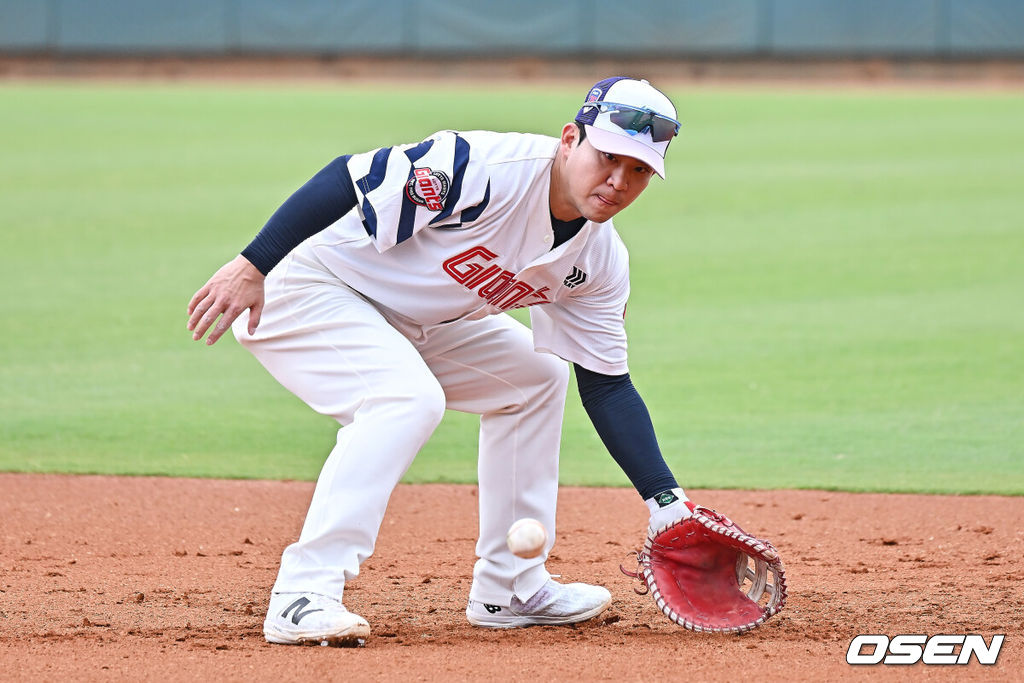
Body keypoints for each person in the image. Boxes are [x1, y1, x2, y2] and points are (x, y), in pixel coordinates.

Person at [187, 77, 694, 647]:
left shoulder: (598, 260)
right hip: (309, 285)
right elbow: (347, 177)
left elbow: (607, 386)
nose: (618, 182)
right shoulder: (488, 167)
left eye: (639, 171)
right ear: (570, 139)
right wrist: (252, 264)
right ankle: (304, 592)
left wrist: (665, 502)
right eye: (608, 158)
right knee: (405, 398)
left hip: (418, 323)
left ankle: (511, 588)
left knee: (537, 377)